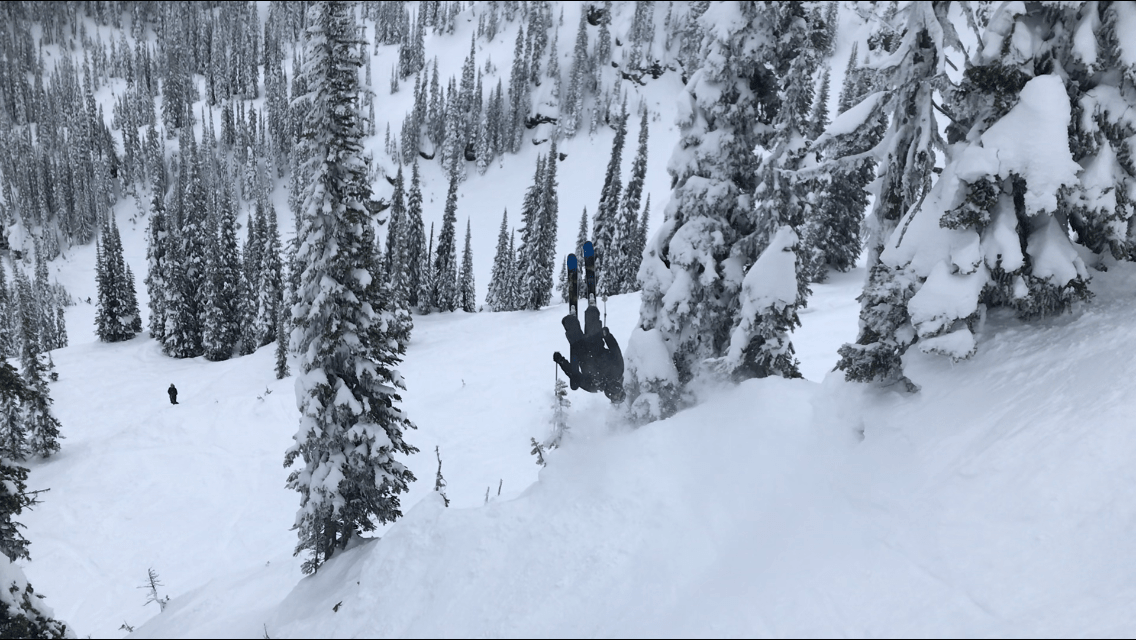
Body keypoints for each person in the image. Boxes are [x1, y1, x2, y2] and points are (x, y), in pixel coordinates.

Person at [554, 303, 625, 403]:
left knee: (569, 322)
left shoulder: (593, 386)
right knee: (592, 313)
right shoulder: (618, 371)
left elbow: (574, 375)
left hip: (579, 347)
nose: (615, 392)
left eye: (615, 396)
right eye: (619, 393)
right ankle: (592, 307)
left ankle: (572, 318)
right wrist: (608, 336)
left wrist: (561, 361)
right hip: (595, 341)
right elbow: (615, 350)